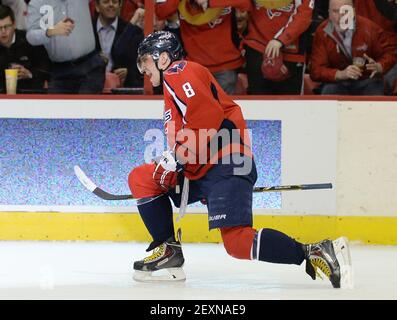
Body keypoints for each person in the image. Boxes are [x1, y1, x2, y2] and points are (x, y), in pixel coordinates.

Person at [128, 30, 352, 288]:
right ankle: (169, 251)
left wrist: (177, 156)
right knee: (143, 178)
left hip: (226, 161)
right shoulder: (172, 85)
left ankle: (314, 251)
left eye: (145, 59)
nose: (142, 67)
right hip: (201, 168)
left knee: (238, 243)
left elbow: (207, 114)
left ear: (163, 58)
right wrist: (176, 161)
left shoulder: (178, 72)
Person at [155, 0, 247, 95]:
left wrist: (210, 2)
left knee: (222, 108)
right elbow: (160, 12)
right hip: (194, 66)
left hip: (225, 65)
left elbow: (246, 4)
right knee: (198, 108)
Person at [310, 0, 397, 95]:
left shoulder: (370, 28)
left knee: (375, 91)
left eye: (345, 12)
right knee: (329, 90)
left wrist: (379, 66)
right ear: (328, 12)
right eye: (335, 11)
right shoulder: (322, 32)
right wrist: (339, 74)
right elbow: (315, 70)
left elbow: (390, 53)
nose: (340, 17)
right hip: (336, 82)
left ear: (354, 12)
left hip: (368, 81)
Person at [27, 0, 106, 94]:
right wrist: (51, 31)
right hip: (60, 70)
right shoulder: (37, 3)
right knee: (57, 108)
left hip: (89, 66)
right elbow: (30, 36)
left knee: (86, 107)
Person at [93, 0, 144, 88]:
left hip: (121, 90)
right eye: (106, 2)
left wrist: (128, 72)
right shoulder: (87, 31)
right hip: (91, 89)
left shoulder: (131, 31)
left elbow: (139, 63)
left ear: (120, 6)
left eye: (115, 2)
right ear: (97, 7)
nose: (111, 5)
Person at [0, 4, 50, 93]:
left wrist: (29, 74)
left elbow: (47, 69)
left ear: (14, 24)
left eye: (6, 26)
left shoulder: (30, 40)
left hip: (30, 96)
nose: (3, 32)